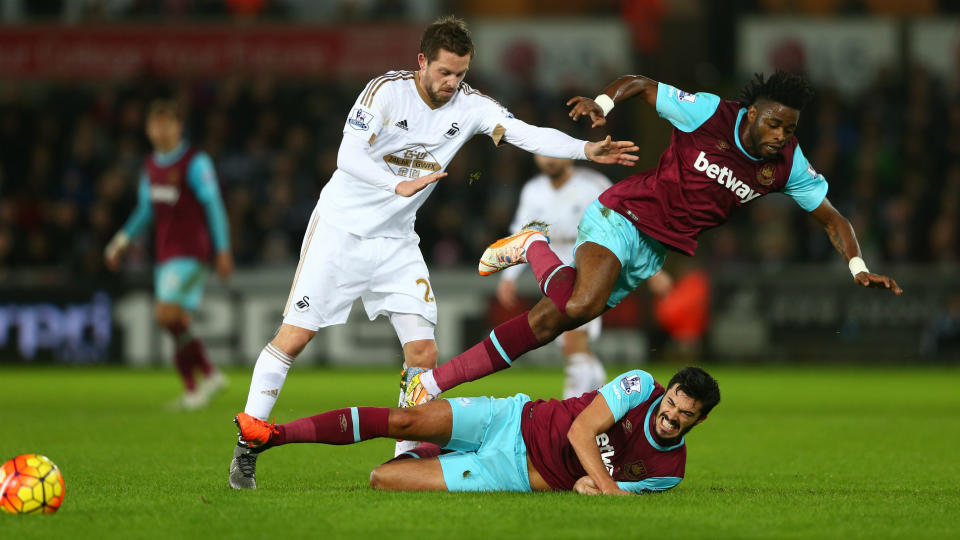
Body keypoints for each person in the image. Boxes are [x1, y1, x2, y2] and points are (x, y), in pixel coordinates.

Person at [228, 15, 639, 489]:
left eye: (461, 74)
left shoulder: (471, 106)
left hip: (397, 241)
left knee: (422, 351)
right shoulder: (385, 91)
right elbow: (348, 156)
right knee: (294, 338)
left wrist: (585, 152)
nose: (451, 84)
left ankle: (407, 455)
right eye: (444, 72)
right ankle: (248, 445)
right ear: (422, 62)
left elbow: (525, 133)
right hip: (340, 232)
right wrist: (395, 183)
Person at [402, 70, 902, 407]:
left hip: (652, 250)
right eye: (774, 124)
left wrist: (858, 267)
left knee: (549, 322)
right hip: (623, 214)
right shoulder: (709, 113)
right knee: (581, 303)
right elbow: (640, 85)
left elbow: (834, 219)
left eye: (789, 129)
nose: (780, 136)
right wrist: (602, 103)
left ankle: (431, 383)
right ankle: (533, 244)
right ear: (751, 114)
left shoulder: (789, 164)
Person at [233, 366, 719, 494]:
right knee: (403, 417)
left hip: (505, 473)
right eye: (671, 403)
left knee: (382, 479)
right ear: (667, 391)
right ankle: (272, 434)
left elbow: (582, 485)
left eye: (682, 416)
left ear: (698, 422)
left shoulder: (667, 473)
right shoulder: (639, 386)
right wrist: (608, 489)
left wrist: (600, 488)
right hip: (513, 417)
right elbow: (579, 433)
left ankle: (428, 451)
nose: (669, 415)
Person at [105, 99, 232, 410]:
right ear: (148, 129)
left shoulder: (195, 162)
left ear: (178, 126)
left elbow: (213, 206)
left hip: (191, 251)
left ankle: (198, 384)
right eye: (154, 124)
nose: (160, 130)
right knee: (176, 321)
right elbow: (145, 211)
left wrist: (223, 248)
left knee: (164, 315)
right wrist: (120, 241)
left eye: (166, 123)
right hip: (165, 253)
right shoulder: (150, 166)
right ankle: (205, 380)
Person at [495, 155, 613, 398]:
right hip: (551, 268)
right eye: (542, 153)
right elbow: (522, 232)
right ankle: (595, 380)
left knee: (572, 336)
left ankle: (571, 404)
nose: (548, 159)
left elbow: (620, 222)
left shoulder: (593, 184)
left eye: (554, 152)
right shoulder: (533, 190)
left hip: (589, 260)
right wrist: (509, 276)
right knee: (569, 340)